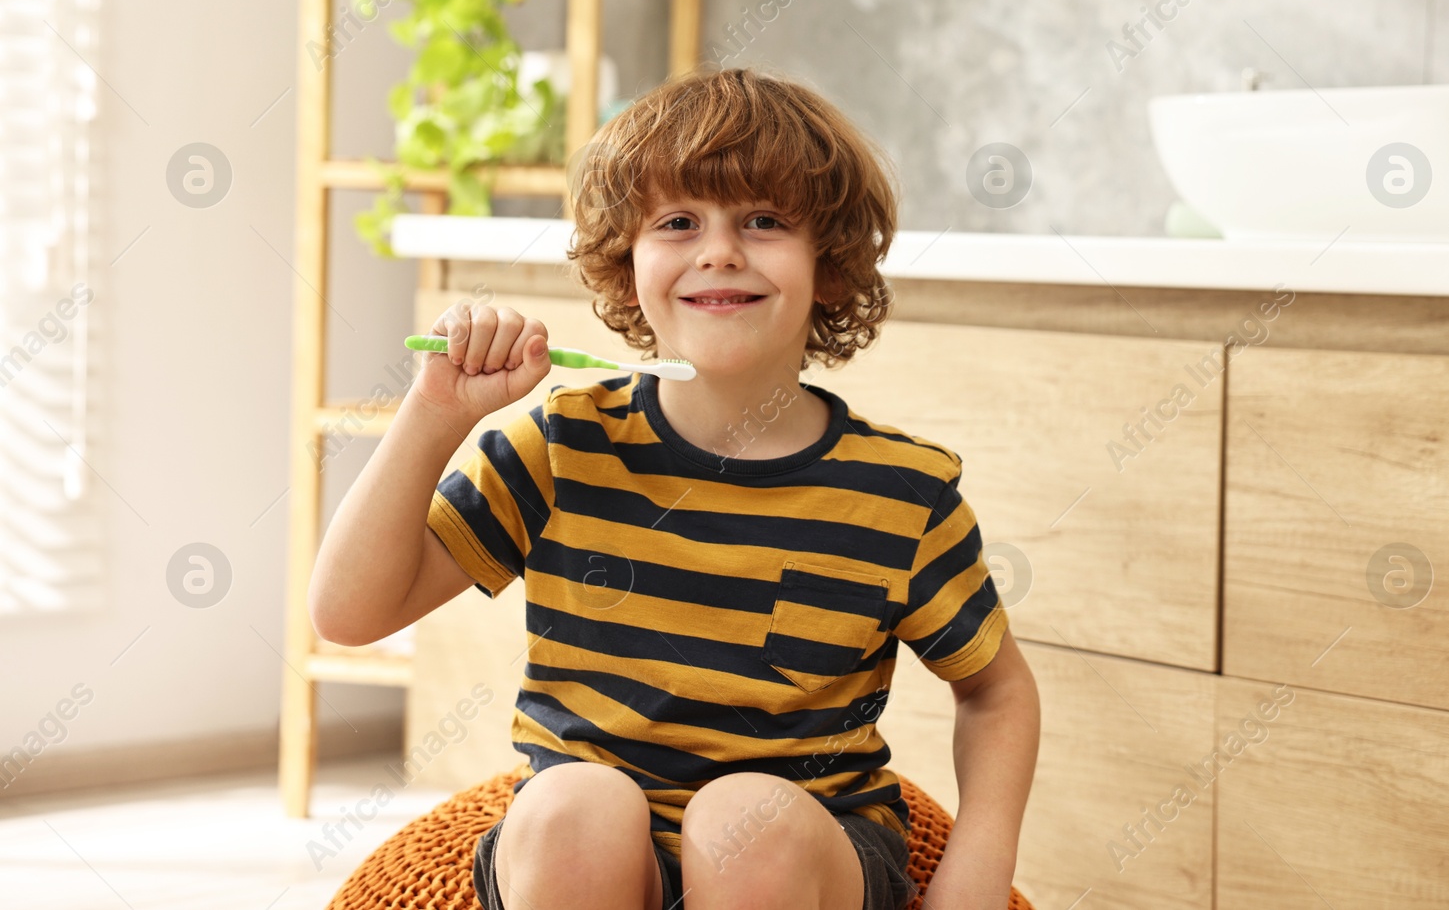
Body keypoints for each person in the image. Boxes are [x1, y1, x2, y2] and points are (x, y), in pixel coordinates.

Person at [309, 67, 1041, 910]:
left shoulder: (903, 493)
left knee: (748, 819)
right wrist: (432, 415)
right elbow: (348, 613)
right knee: (572, 802)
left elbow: (996, 690)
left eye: (764, 221)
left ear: (830, 268)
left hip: (805, 856)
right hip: (590, 856)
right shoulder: (563, 444)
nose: (719, 249)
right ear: (627, 268)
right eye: (679, 221)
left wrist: (975, 876)